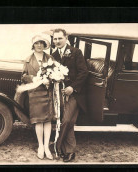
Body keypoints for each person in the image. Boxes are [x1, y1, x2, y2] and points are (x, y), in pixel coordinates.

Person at [52, 28, 89, 162]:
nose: (57, 41)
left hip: (74, 94)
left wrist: (72, 87)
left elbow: (83, 72)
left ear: (66, 38)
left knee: (66, 120)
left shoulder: (76, 52)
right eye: (55, 39)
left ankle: (57, 146)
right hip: (58, 94)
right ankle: (69, 151)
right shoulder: (53, 55)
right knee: (69, 122)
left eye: (59, 38)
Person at [21, 35, 54, 160]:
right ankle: (40, 146)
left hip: (48, 93)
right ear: (33, 45)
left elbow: (56, 73)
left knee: (48, 119)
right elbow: (23, 76)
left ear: (44, 45)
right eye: (36, 43)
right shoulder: (28, 60)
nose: (39, 45)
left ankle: (47, 147)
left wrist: (49, 81)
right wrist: (34, 78)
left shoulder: (50, 58)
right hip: (35, 93)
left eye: (41, 43)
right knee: (39, 120)